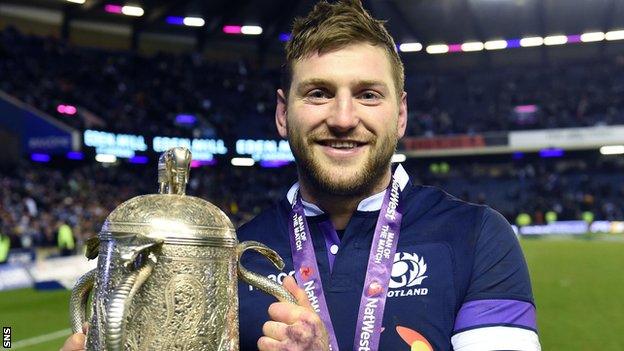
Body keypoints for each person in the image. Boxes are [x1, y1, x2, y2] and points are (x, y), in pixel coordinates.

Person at [62, 1, 541, 350]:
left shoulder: (478, 237)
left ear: (401, 116)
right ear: (282, 114)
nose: (343, 116)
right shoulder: (228, 254)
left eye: (369, 94)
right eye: (318, 93)